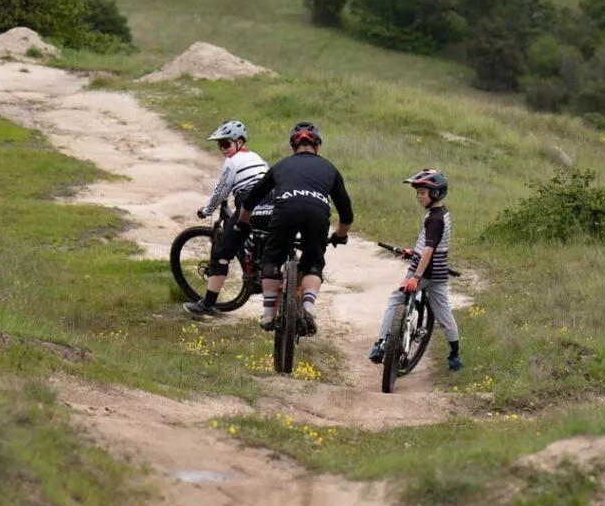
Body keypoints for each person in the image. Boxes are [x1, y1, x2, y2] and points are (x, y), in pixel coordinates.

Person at [239, 121, 351, 335]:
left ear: (293, 147)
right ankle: (308, 310)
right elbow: (346, 211)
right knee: (313, 260)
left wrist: (242, 224)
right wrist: (340, 235)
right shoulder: (329, 168)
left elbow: (252, 199)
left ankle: (269, 314)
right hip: (316, 213)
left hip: (285, 212)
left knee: (272, 257)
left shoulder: (281, 165)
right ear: (317, 146)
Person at [368, 168, 462, 372]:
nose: (418, 197)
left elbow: (428, 250)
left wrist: (416, 277)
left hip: (424, 272)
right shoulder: (442, 214)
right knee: (443, 312)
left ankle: (381, 344)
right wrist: (412, 252)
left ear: (435, 193)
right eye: (417, 193)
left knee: (395, 299)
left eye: (422, 193)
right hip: (438, 274)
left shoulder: (434, 219)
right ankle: (454, 355)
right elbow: (432, 246)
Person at [185, 120, 268, 318]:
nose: (222, 149)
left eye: (226, 144)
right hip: (272, 203)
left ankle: (207, 306)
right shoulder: (257, 158)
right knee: (264, 246)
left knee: (222, 252)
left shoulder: (233, 162)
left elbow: (221, 191)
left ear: (239, 142)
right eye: (219, 145)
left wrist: (207, 209)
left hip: (249, 205)